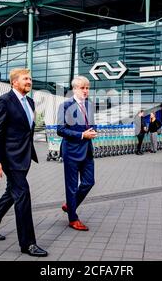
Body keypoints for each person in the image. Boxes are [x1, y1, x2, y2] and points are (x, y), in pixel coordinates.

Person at [0, 68, 48, 257]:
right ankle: (28, 244)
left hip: (24, 156)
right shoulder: (4, 101)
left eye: (30, 78)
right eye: (25, 78)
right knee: (23, 195)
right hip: (10, 158)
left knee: (11, 193)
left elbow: (26, 130)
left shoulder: (30, 102)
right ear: (14, 82)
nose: (29, 81)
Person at [57, 75, 96, 231]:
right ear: (74, 89)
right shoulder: (65, 106)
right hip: (72, 151)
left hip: (87, 150)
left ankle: (70, 205)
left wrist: (93, 131)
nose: (86, 91)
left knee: (89, 182)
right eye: (82, 88)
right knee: (72, 187)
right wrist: (81, 135)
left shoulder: (90, 105)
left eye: (87, 88)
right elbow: (60, 130)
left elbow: (91, 124)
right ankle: (73, 218)